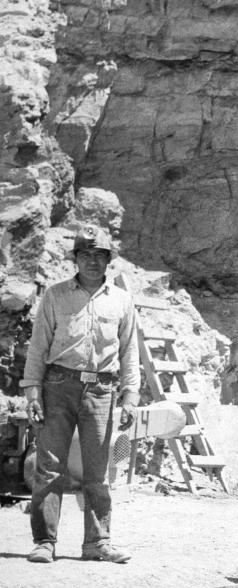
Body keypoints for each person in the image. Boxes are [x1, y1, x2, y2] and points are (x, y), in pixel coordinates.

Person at [21, 225, 140, 563]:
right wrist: (32, 393)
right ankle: (45, 542)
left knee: (98, 473)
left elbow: (130, 351)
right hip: (57, 386)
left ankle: (97, 544)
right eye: (86, 254)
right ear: (76, 258)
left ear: (108, 260)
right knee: (50, 468)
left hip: (102, 390)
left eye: (99, 255)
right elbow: (38, 346)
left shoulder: (122, 300)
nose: (92, 261)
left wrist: (130, 396)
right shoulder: (56, 296)